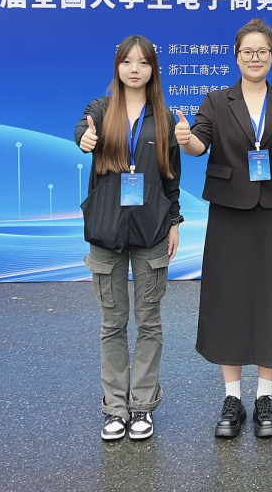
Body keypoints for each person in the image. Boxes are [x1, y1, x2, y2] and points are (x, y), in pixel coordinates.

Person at [175, 19, 272, 439]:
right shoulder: (217, 101)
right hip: (230, 211)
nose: (255, 58)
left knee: (271, 299)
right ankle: (232, 399)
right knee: (229, 301)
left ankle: (265, 397)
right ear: (236, 57)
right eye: (247, 51)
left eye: (262, 51)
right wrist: (185, 139)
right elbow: (199, 145)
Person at [76, 35, 182, 442]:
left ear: (153, 69)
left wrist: (174, 221)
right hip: (106, 230)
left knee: (149, 322)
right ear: (117, 67)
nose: (134, 69)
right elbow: (81, 131)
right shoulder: (101, 110)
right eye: (127, 61)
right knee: (113, 322)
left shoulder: (165, 117)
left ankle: (142, 406)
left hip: (152, 229)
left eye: (143, 62)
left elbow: (171, 177)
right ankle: (115, 408)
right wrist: (85, 139)